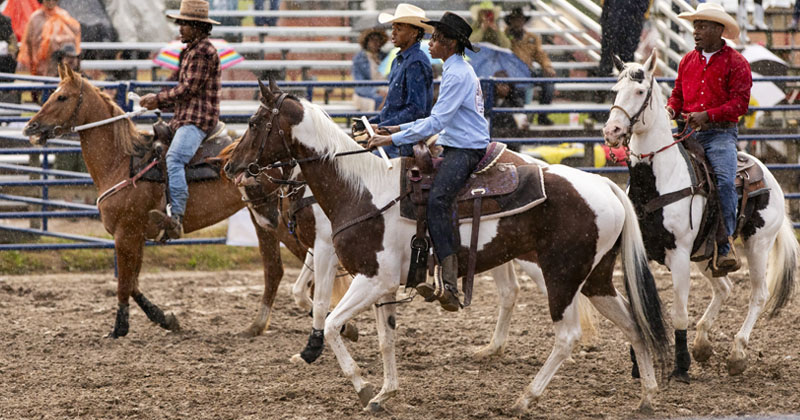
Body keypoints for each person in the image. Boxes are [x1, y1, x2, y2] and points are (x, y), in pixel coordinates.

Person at [368, 12, 488, 312]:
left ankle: (449, 281)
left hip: (465, 149)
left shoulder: (457, 73)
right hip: (457, 144)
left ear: (447, 43)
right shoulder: (454, 68)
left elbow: (436, 121)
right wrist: (395, 129)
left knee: (437, 200)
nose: (429, 42)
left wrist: (391, 139)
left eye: (434, 38)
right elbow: (434, 119)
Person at [666, 2, 751, 273]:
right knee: (651, 166)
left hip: (720, 135)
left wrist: (707, 115)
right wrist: (670, 108)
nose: (696, 31)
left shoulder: (736, 63)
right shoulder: (687, 62)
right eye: (695, 26)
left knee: (725, 181)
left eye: (702, 26)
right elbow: (678, 94)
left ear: (719, 29)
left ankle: (725, 244)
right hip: (688, 132)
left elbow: (740, 105)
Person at [139, 0, 222, 240]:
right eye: (180, 23)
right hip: (184, 119)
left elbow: (188, 90)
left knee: (174, 159)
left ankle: (176, 217)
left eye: (184, 24)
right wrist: (158, 95)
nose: (180, 28)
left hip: (197, 121)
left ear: (197, 26)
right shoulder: (190, 51)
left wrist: (158, 99)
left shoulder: (204, 52)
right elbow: (180, 85)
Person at [366, 3, 434, 158]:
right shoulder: (399, 60)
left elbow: (416, 110)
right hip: (394, 137)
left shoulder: (415, 62)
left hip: (403, 143)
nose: (393, 33)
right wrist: (374, 122)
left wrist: (383, 127)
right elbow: (394, 107)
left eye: (399, 28)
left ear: (414, 33)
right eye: (393, 28)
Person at [504, 7, 555, 126]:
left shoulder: (532, 38)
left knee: (548, 84)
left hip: (527, 71)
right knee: (517, 89)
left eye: (520, 20)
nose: (517, 22)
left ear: (523, 21)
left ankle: (542, 115)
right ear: (510, 22)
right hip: (510, 72)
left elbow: (540, 55)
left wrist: (547, 66)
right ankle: (520, 119)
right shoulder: (504, 37)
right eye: (515, 20)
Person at [18, 0, 80, 77]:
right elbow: (29, 41)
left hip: (60, 60)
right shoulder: (36, 17)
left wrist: (57, 41)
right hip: (41, 61)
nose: (50, 2)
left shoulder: (63, 15)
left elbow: (74, 33)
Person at [351, 26, 389, 112]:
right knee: (379, 101)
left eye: (378, 40)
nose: (376, 43)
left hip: (386, 91)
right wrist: (376, 91)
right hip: (367, 93)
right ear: (366, 41)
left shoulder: (386, 56)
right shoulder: (359, 59)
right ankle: (377, 121)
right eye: (372, 40)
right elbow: (359, 85)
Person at [489, 70, 528, 150]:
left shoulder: (514, 100)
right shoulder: (489, 100)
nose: (506, 88)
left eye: (507, 85)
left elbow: (522, 124)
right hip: (495, 139)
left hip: (510, 140)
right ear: (496, 86)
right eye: (502, 85)